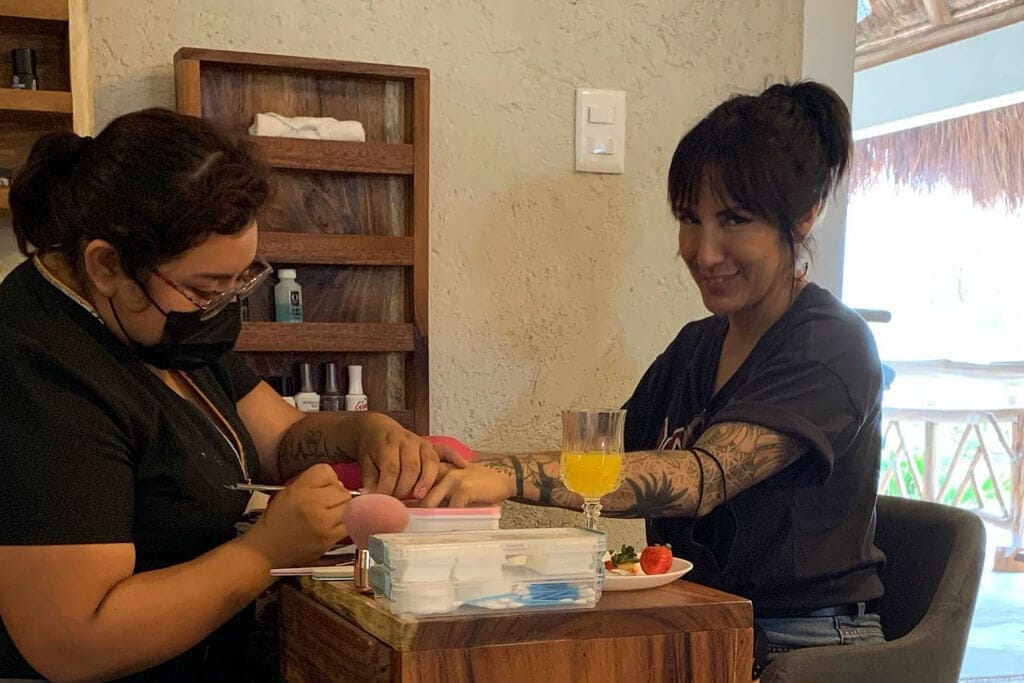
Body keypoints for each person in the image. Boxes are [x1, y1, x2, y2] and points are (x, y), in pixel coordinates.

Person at [423, 81, 887, 671]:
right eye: (691, 219)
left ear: (803, 217)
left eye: (734, 220)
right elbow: (609, 460)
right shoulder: (697, 345)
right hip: (699, 620)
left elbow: (702, 477)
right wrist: (460, 463)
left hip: (803, 644)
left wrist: (505, 475)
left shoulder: (830, 344)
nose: (705, 251)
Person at [0, 109, 462, 681]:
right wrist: (264, 554)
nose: (219, 307)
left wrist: (364, 431)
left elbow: (282, 439)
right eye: (205, 288)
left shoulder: (158, 324)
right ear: (106, 264)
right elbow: (74, 642)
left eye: (238, 281)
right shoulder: (35, 369)